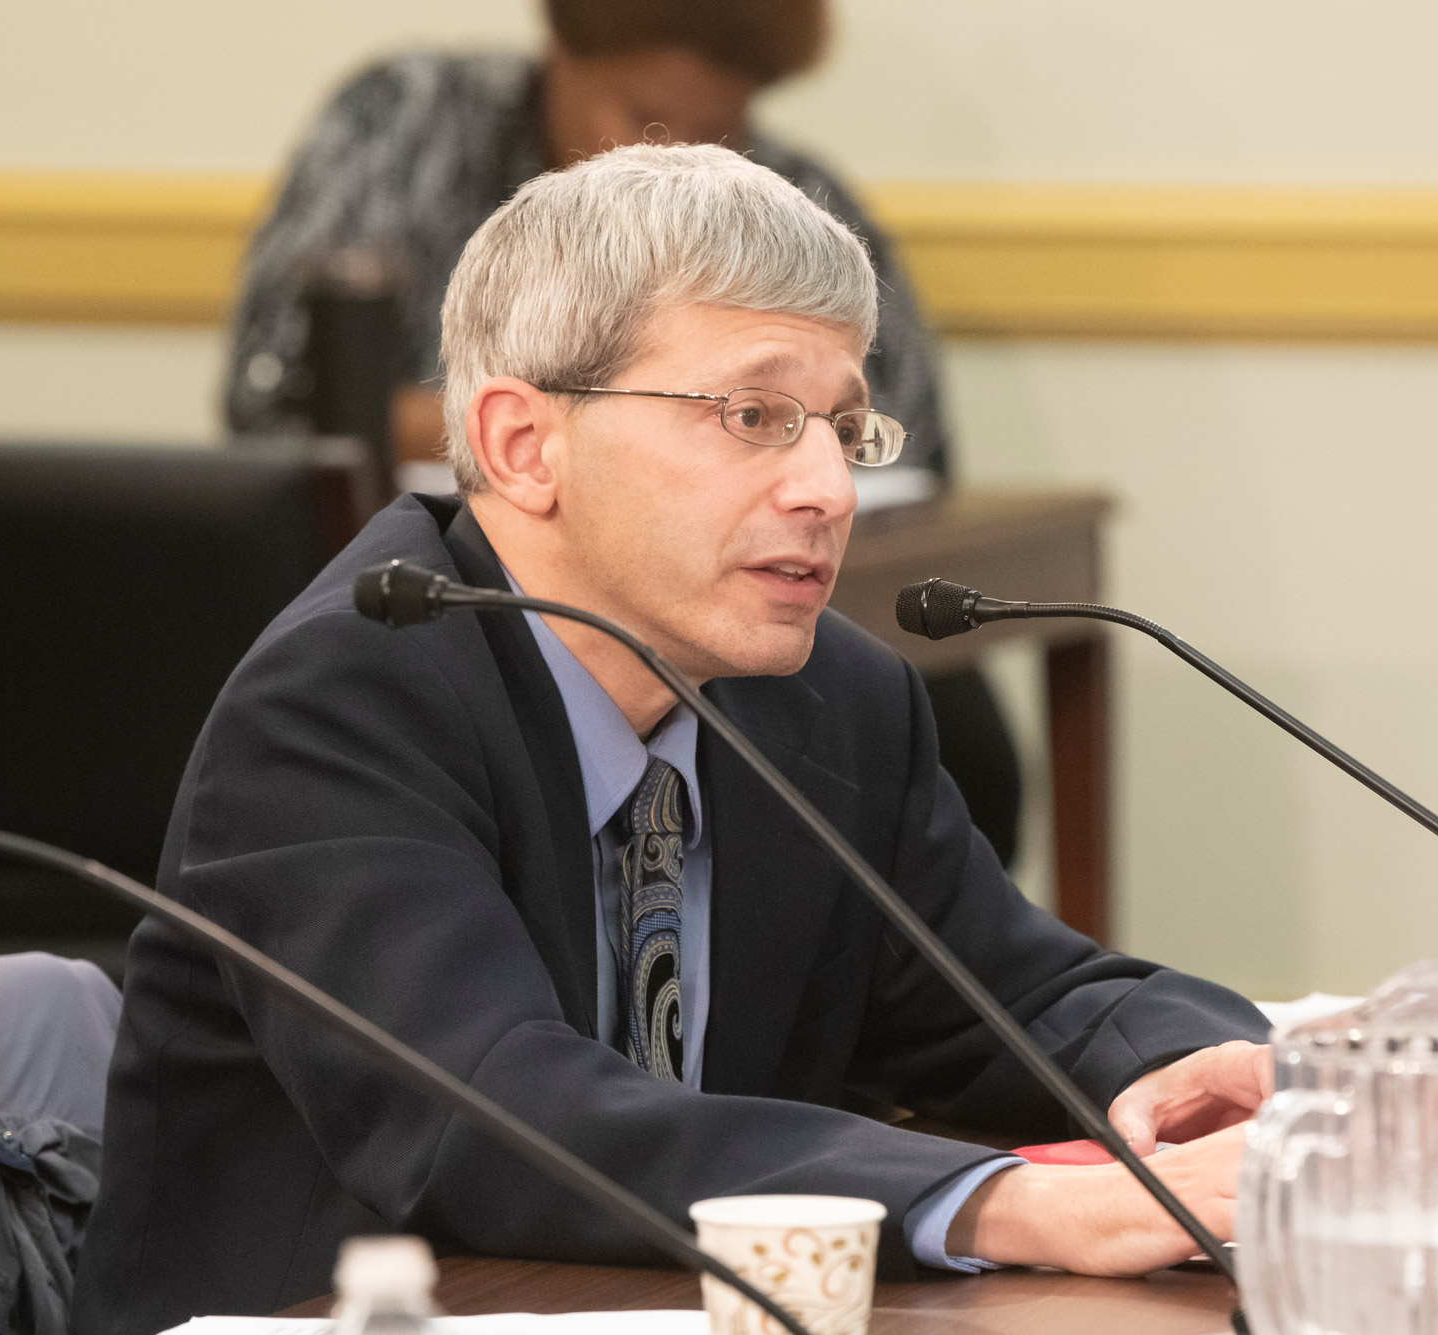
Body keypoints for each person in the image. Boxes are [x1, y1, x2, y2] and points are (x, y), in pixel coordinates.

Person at [71, 144, 1271, 1335]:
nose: (827, 489)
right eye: (753, 416)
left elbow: (1016, 995)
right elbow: (490, 1114)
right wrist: (1013, 1207)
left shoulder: (828, 698)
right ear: (522, 445)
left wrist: (1249, 1082)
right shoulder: (345, 699)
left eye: (842, 428)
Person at [221, 0, 1026, 866]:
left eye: (717, 130)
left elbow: (916, 434)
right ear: (559, 54)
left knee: (956, 736)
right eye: (642, 114)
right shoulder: (409, 125)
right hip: (424, 587)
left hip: (731, 621)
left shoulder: (793, 206)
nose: (670, 151)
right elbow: (273, 386)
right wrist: (547, 407)